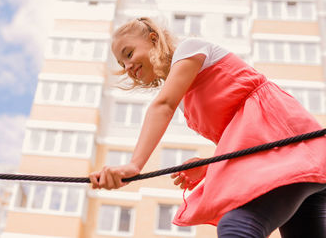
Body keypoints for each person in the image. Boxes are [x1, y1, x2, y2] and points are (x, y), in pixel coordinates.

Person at [89, 17, 326, 238]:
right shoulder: (185, 100)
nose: (128, 66)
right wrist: (209, 167)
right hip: (280, 155)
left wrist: (134, 165)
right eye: (122, 63)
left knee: (237, 225)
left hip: (290, 143)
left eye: (129, 53)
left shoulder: (190, 49)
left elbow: (163, 105)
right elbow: (243, 133)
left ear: (153, 39)